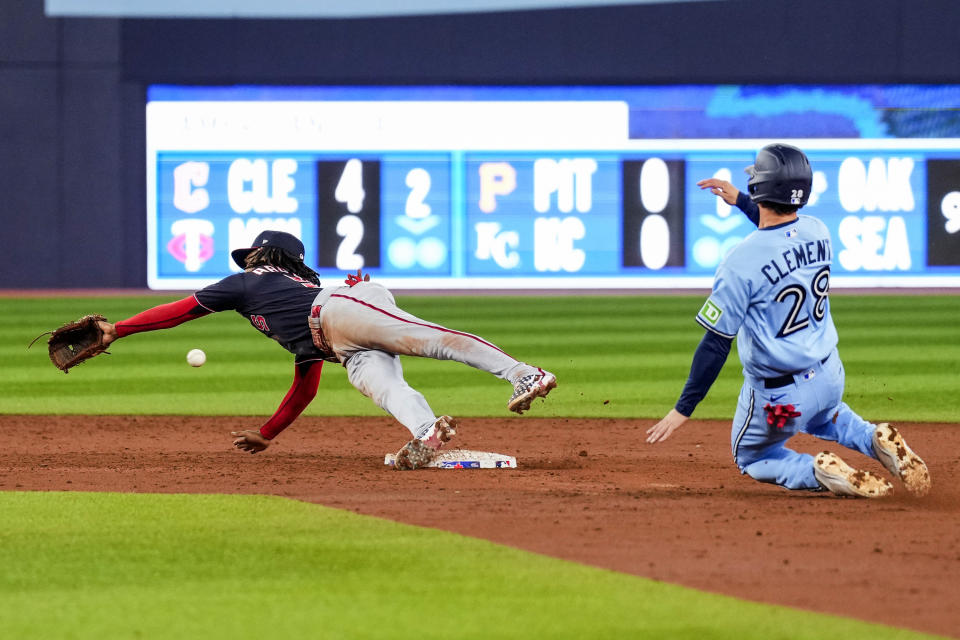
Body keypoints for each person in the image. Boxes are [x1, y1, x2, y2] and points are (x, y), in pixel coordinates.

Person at [95, 230, 557, 470]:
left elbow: (182, 310)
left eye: (253, 254)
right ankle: (426, 436)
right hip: (336, 339)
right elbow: (306, 383)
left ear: (267, 257)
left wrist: (119, 329)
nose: (248, 261)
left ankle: (523, 374)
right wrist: (269, 432)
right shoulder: (280, 305)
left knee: (432, 341)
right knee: (382, 385)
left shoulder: (246, 282)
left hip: (342, 305)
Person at [646, 143, 931, 498]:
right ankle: (874, 439)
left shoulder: (738, 263)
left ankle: (816, 470)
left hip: (781, 403)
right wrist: (742, 203)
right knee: (827, 417)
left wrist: (683, 408)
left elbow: (716, 343)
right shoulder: (819, 232)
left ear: (759, 189)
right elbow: (781, 236)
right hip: (829, 378)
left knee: (750, 455)